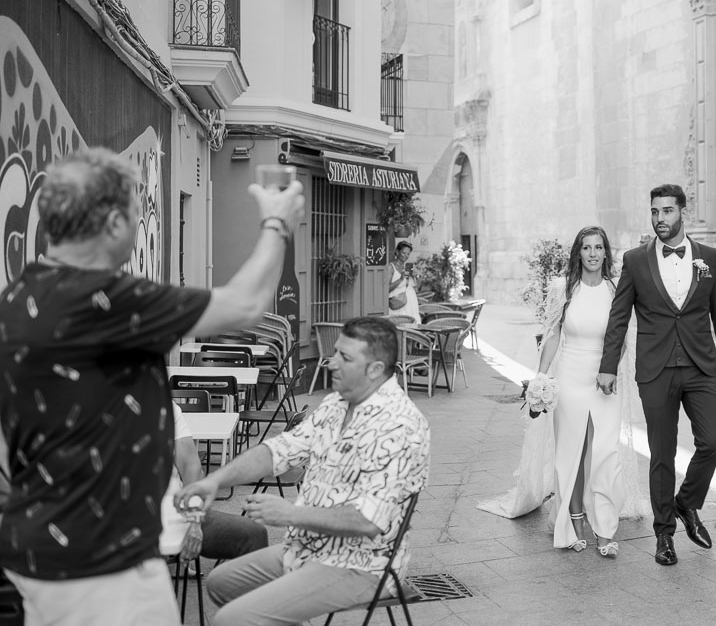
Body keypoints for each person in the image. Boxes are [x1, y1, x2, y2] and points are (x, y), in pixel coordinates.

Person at [0, 147, 303, 626]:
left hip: (51, 548)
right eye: (137, 212)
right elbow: (245, 306)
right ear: (116, 224)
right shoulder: (103, 300)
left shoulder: (21, 295)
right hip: (99, 566)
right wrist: (277, 222)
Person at [178, 316, 429, 626]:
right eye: (335, 352)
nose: (331, 363)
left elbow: (368, 520)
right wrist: (215, 481)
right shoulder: (336, 403)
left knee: (232, 619)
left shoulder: (399, 425)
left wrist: (290, 514)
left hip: (361, 564)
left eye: (344, 358)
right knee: (221, 582)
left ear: (375, 369)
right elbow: (278, 451)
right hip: (307, 549)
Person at [475, 227, 648, 550]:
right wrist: (540, 377)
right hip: (570, 376)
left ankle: (606, 528)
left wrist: (609, 371)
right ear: (578, 253)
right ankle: (575, 520)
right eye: (586, 248)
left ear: (606, 253)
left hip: (605, 380)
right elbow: (552, 335)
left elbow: (623, 338)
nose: (593, 254)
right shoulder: (563, 288)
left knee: (605, 453)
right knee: (573, 451)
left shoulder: (615, 289)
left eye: (599, 248)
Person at [599, 183, 716, 566]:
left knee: (715, 440)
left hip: (700, 365)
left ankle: (686, 502)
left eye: (667, 211)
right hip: (656, 369)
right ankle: (664, 536)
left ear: (682, 212)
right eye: (655, 212)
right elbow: (618, 317)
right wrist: (608, 366)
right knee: (661, 453)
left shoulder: (708, 257)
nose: (660, 219)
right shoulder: (636, 260)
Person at [161, 402, 269, 564]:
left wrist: (194, 518)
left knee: (254, 534)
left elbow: (191, 468)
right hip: (126, 521)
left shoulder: (165, 406)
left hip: (176, 510)